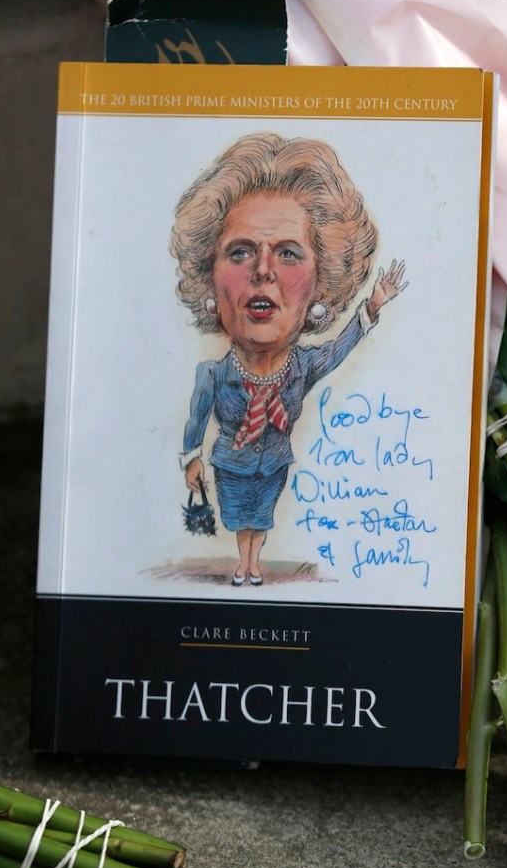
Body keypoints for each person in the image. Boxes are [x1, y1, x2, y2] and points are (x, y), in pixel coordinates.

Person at [170, 132, 407, 586]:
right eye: (240, 252)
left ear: (322, 285)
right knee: (239, 512)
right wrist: (192, 461)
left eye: (287, 253)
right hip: (231, 465)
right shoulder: (214, 374)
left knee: (263, 514)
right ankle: (245, 564)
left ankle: (253, 563)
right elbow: (197, 421)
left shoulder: (302, 367)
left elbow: (338, 351)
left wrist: (372, 307)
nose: (263, 270)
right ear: (209, 280)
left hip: (275, 462)